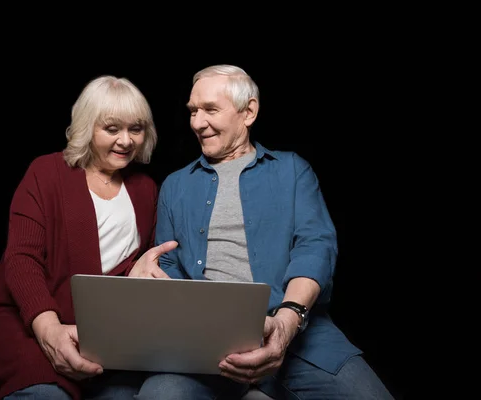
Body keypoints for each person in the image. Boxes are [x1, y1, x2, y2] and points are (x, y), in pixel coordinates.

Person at [133, 65, 394, 399]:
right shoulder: (175, 186)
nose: (197, 122)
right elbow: (168, 268)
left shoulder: (292, 171)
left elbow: (316, 247)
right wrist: (150, 283)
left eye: (211, 109)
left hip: (298, 337)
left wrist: (286, 324)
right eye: (193, 111)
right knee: (160, 396)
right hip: (202, 347)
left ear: (249, 112)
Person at [0, 75, 177, 400]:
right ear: (88, 126)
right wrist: (50, 332)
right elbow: (21, 260)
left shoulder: (145, 189)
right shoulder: (46, 172)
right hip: (27, 321)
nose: (126, 141)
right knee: (47, 395)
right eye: (111, 128)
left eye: (136, 128)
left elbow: (133, 267)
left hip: (100, 333)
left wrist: (139, 275)